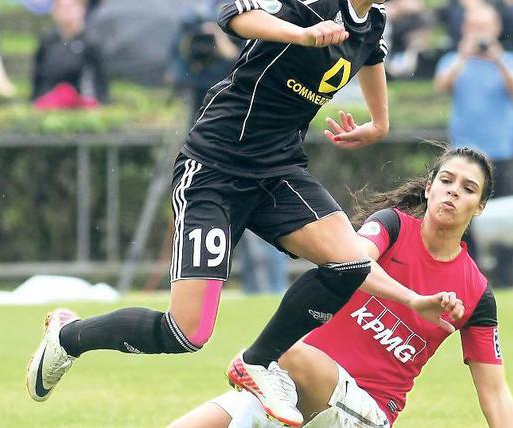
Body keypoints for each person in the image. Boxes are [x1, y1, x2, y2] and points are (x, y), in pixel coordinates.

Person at [26, 1, 465, 427]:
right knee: (187, 333)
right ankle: (69, 337)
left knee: (349, 263)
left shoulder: (374, 20)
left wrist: (380, 121)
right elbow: (232, 14)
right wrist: (302, 34)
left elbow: (371, 54)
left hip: (278, 171)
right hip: (215, 168)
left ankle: (257, 362)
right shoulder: (311, 5)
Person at [169, 147, 513, 428]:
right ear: (429, 188)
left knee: (285, 351)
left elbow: (495, 393)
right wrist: (414, 300)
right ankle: (262, 380)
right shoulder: (391, 226)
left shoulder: (476, 292)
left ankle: (257, 372)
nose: (454, 191)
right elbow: (353, 266)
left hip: (365, 410)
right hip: (295, 382)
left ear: (479, 207)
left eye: (468, 189)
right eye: (446, 180)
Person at [434, 2, 513, 288]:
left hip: (500, 149)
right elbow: (441, 86)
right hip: (464, 155)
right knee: (462, 216)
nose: (479, 33)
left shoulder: (511, 60)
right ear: (464, 29)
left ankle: (507, 277)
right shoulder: (453, 59)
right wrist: (464, 55)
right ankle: (467, 277)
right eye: (474, 27)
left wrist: (498, 59)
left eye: (484, 27)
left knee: (505, 214)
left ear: (496, 28)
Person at [31, 0, 109, 108]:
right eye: (61, 8)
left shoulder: (91, 42)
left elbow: (97, 82)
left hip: (82, 102)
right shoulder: (47, 41)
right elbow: (39, 78)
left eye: (71, 7)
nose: (66, 12)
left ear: (82, 10)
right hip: (49, 103)